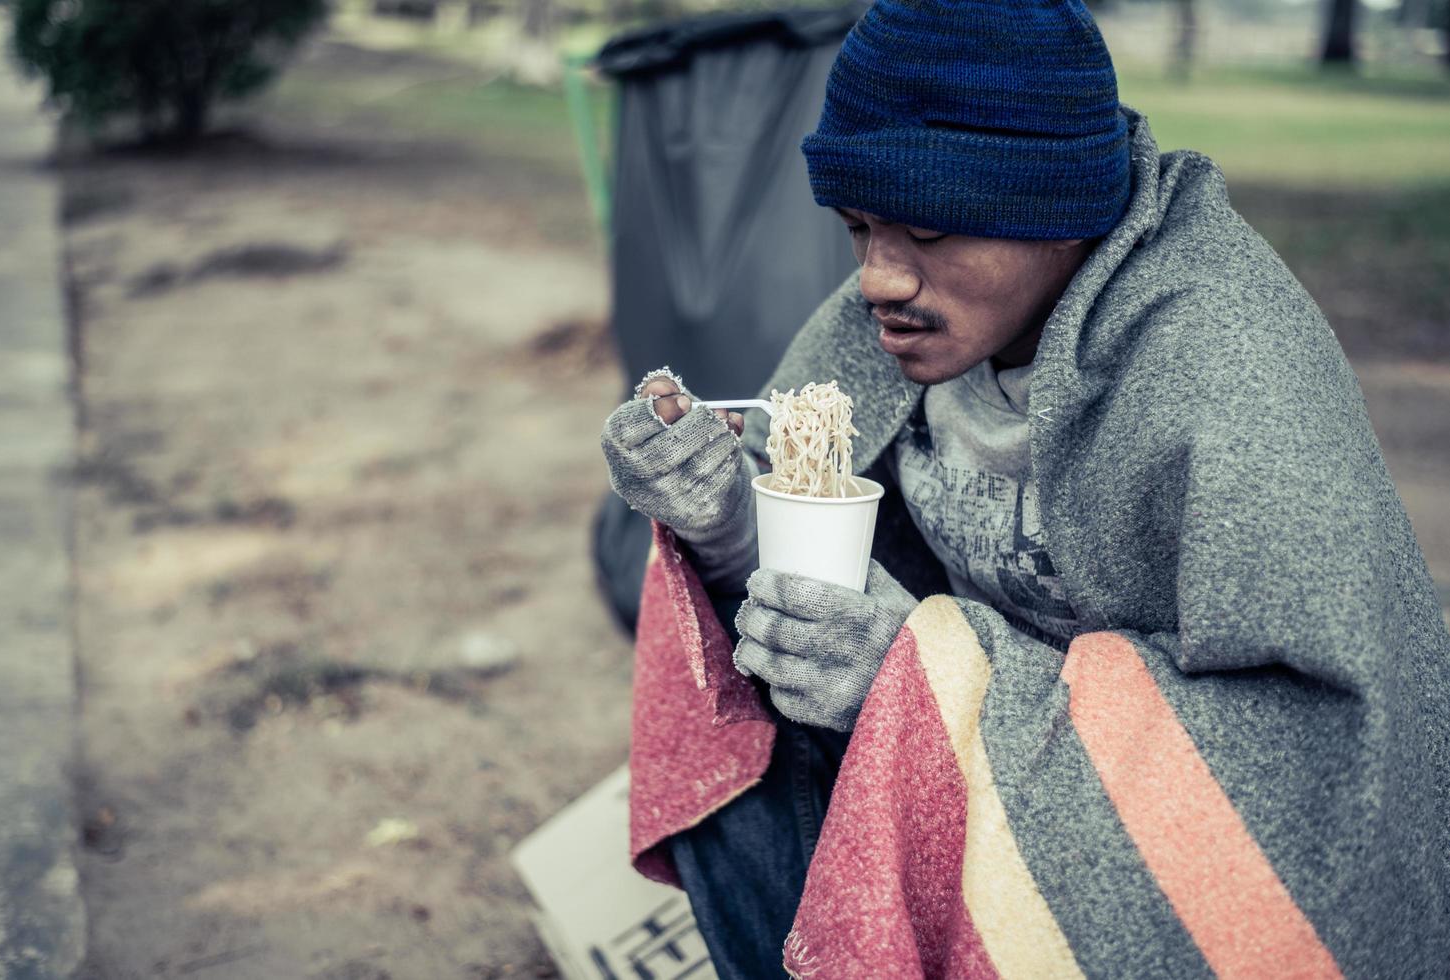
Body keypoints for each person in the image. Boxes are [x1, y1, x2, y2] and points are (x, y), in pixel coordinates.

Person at [600, 0, 1450, 975]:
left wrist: (926, 678)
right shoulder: (913, 314)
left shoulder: (1222, 360)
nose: (877, 276)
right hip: (990, 757)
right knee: (737, 722)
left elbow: (1315, 761)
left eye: (924, 227)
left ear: (1063, 211)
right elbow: (816, 582)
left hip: (1128, 828)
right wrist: (721, 514)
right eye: (856, 226)